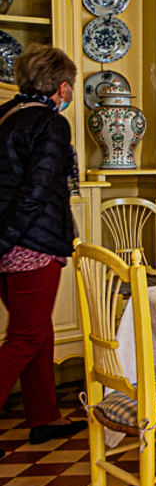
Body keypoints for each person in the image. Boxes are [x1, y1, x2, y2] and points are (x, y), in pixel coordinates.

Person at [0, 44, 87, 453]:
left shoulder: (5, 116)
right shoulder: (50, 124)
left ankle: (44, 416)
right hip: (29, 243)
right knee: (25, 335)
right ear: (62, 87)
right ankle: (43, 416)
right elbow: (36, 191)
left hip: (9, 242)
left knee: (39, 333)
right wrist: (11, 236)